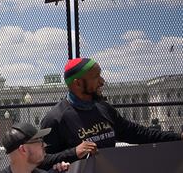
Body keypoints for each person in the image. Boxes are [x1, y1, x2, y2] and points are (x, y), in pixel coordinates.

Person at [40, 57, 181, 167]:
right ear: (77, 83)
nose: (102, 81)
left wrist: (178, 137)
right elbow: (42, 161)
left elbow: (138, 133)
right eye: (96, 77)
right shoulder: (55, 119)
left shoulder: (104, 108)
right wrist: (74, 153)